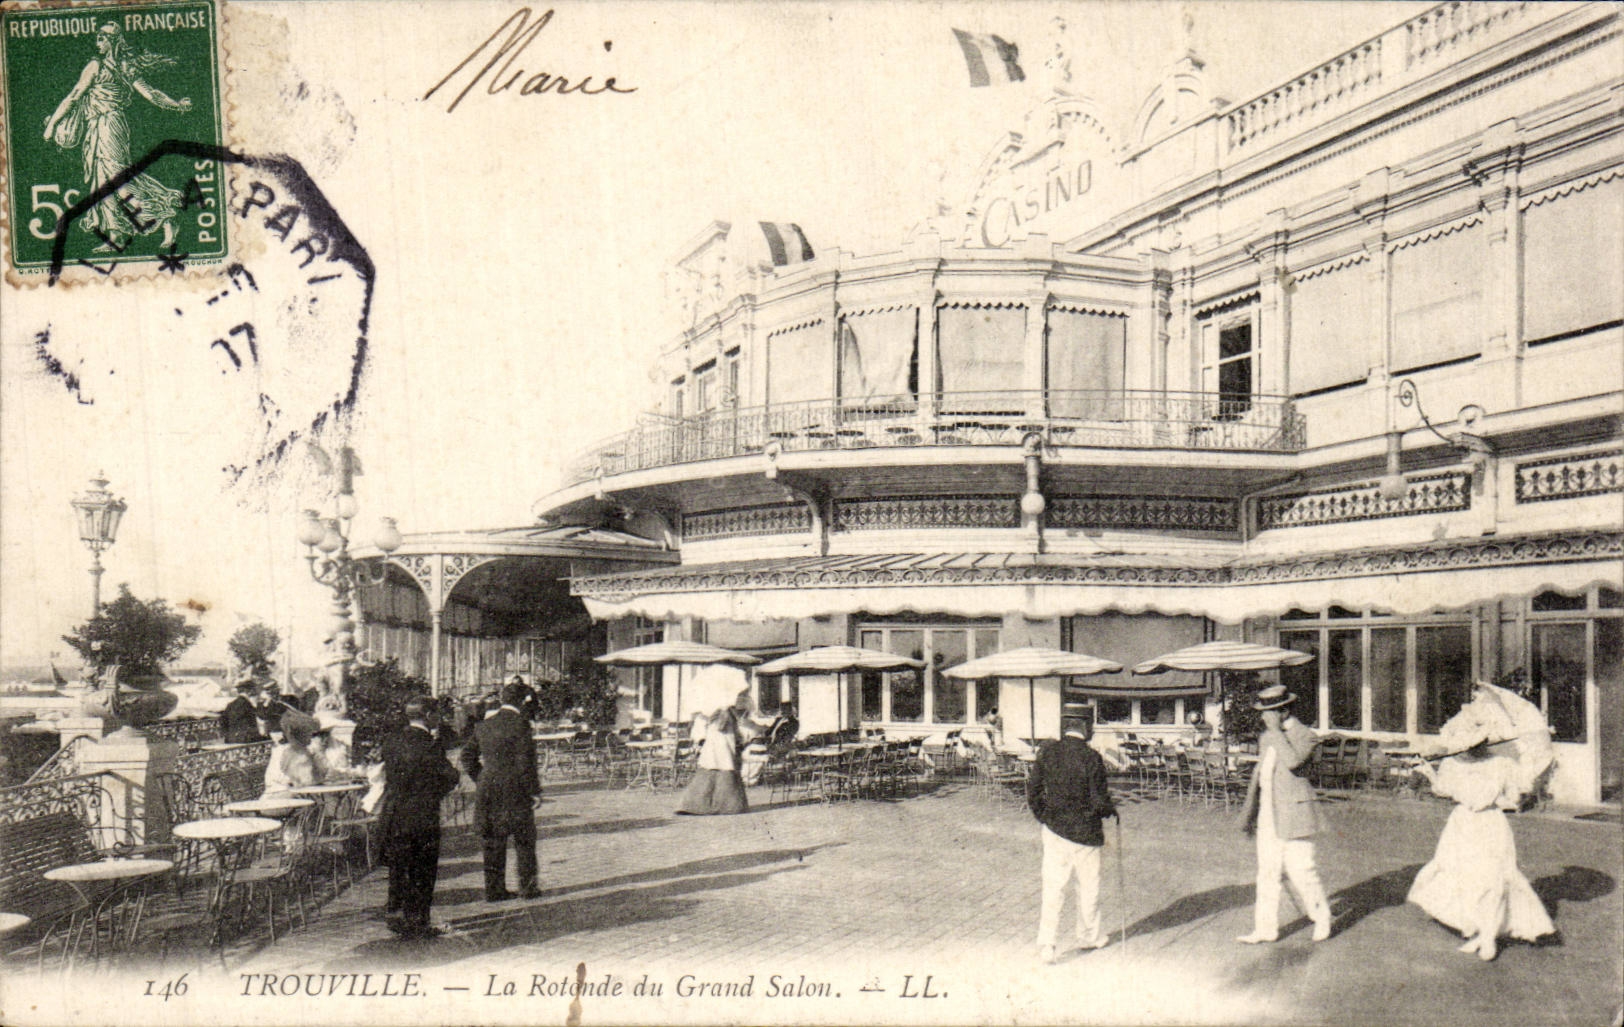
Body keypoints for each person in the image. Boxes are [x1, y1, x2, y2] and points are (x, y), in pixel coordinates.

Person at [42, 23, 192, 252]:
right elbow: (151, 94)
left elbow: (75, 96)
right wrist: (177, 105)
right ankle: (117, 233)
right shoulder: (118, 66)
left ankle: (164, 215)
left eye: (101, 39)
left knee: (116, 180)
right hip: (98, 127)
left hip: (109, 126)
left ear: (111, 40)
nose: (97, 43)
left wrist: (52, 124)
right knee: (103, 181)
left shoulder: (106, 66)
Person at [1407, 734, 1555, 961]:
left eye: (1476, 741)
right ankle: (1478, 930)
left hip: (1490, 824)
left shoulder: (1502, 764)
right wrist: (1429, 773)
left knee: (1493, 879)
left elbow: (1513, 797)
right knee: (1463, 876)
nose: (1471, 747)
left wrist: (1505, 797)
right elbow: (1444, 790)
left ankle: (1487, 937)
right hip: (1462, 824)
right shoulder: (1451, 764)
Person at [1236, 684, 1333, 944]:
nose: (1264, 717)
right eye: (1263, 712)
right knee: (1267, 873)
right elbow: (1263, 773)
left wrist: (1276, 732)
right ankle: (1265, 929)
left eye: (1270, 712)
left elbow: (1292, 762)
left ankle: (1322, 916)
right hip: (1268, 813)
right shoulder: (1267, 736)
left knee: (1302, 871)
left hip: (1295, 813)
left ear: (1285, 711)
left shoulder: (1306, 735)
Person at [1026, 713, 1118, 964]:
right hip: (1085, 834)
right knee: (1088, 887)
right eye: (1091, 726)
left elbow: (1032, 792)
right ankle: (1089, 937)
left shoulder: (1047, 753)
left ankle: (1047, 944)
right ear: (1085, 726)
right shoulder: (1091, 757)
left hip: (1055, 830)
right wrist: (1110, 809)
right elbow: (1099, 800)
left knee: (1053, 887)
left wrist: (1045, 816)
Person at [378, 698, 461, 939]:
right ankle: (419, 922)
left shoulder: (392, 740)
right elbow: (450, 775)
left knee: (399, 865)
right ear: (427, 715)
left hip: (394, 812)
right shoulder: (429, 744)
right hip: (422, 815)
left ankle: (396, 913)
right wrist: (435, 792)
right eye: (436, 713)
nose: (439, 718)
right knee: (423, 869)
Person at [461, 682, 541, 901]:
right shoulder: (522, 725)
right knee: (524, 840)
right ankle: (528, 887)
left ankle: (494, 890)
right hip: (516, 790)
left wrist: (482, 778)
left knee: (493, 841)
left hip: (488, 790)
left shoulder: (484, 725)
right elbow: (526, 762)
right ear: (523, 702)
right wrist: (534, 791)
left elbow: (467, 756)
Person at [677, 694, 761, 816]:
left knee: (711, 771)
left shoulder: (713, 715)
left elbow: (702, 729)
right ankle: (725, 806)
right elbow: (741, 731)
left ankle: (699, 804)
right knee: (724, 771)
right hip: (723, 746)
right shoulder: (729, 714)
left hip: (715, 747)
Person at [262, 710, 325, 797]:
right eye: (310, 733)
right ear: (300, 735)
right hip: (283, 796)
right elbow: (308, 781)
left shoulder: (283, 749)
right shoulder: (296, 753)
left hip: (276, 793)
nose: (312, 737)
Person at [220, 679, 266, 744]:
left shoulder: (231, 704)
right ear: (249, 691)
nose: (255, 692)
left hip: (230, 739)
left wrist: (228, 735)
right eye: (253, 690)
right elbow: (252, 725)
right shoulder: (247, 705)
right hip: (245, 740)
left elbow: (223, 721)